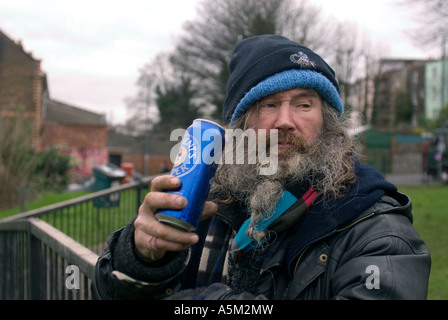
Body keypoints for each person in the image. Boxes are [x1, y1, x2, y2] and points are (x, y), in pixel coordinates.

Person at [91, 35, 431, 300]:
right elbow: (108, 290)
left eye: (303, 104)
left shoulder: (378, 229)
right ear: (240, 124)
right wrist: (140, 256)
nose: (285, 121)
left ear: (328, 123)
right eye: (269, 104)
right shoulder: (203, 199)